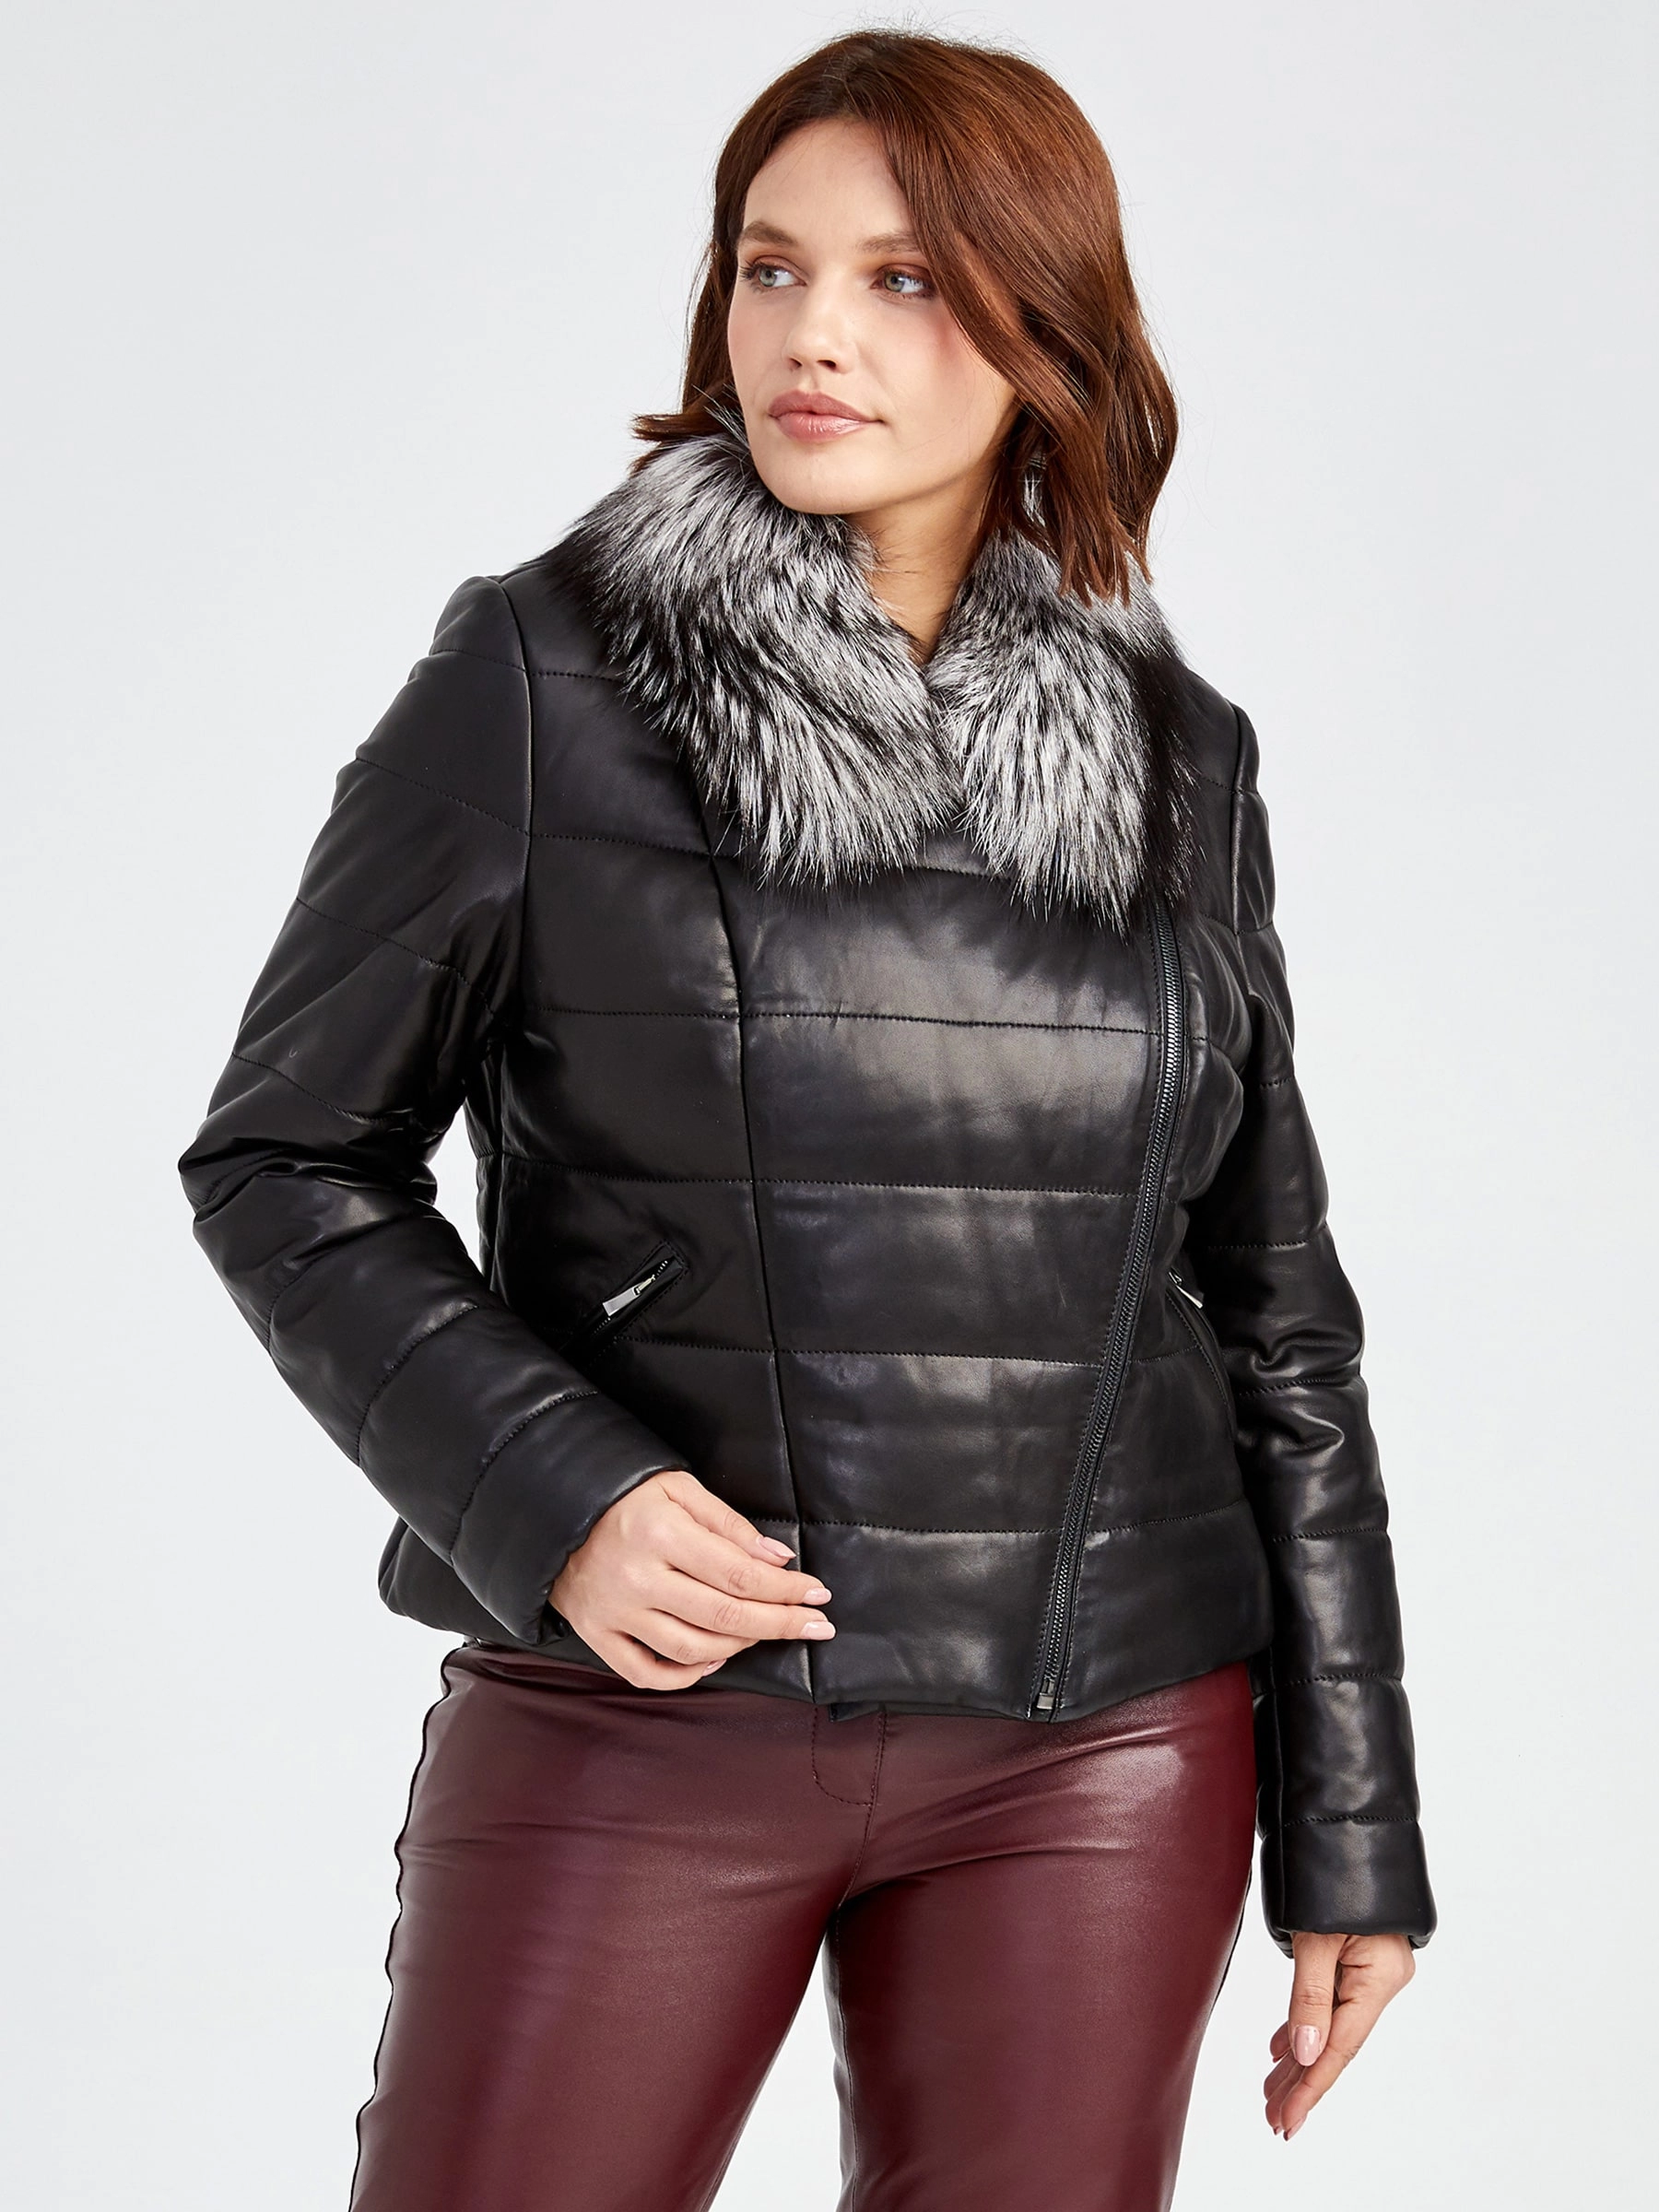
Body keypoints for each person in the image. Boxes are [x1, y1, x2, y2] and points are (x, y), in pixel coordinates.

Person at [178, 28, 1434, 2211]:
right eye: (772, 267)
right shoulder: (539, 681)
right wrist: (556, 1492)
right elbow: (285, 1158)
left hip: (1106, 1748)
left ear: (1043, 329)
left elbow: (1275, 1317)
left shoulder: (1181, 755)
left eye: (904, 278)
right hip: (647, 1708)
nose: (812, 334)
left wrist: (1355, 1830)